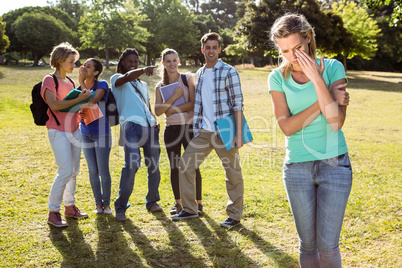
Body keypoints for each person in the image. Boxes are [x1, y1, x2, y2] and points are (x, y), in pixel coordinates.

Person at [268, 13, 352, 267]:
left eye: (298, 48)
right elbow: (287, 127)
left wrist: (317, 77)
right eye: (285, 51)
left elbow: (336, 121)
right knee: (307, 245)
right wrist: (325, 98)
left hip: (334, 166)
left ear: (309, 38)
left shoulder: (334, 67)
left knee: (328, 248)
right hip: (297, 169)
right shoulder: (276, 78)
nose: (293, 57)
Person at [172, 32, 245, 228]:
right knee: (186, 165)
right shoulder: (200, 73)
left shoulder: (229, 72)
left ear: (220, 49)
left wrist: (238, 133)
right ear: (202, 49)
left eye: (215, 47)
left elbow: (238, 104)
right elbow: (200, 103)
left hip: (225, 130)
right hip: (204, 131)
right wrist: (197, 127)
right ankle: (189, 209)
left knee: (232, 173)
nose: (211, 51)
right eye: (208, 48)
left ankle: (234, 216)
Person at [41, 42, 92, 227]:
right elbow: (54, 105)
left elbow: (72, 105)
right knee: (64, 171)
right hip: (57, 131)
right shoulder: (49, 80)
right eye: (71, 62)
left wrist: (81, 109)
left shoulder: (70, 82)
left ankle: (70, 207)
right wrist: (78, 99)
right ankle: (53, 211)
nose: (74, 65)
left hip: (74, 130)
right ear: (61, 61)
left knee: (74, 171)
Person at [111, 48, 162, 221]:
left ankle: (152, 201)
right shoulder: (117, 79)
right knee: (131, 165)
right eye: (129, 62)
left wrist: (155, 122)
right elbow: (126, 78)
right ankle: (120, 207)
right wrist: (141, 70)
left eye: (136, 62)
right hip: (131, 127)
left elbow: (147, 106)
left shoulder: (143, 85)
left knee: (153, 166)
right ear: (123, 63)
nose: (133, 64)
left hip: (149, 127)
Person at [154, 48, 203, 216]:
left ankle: (198, 203)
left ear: (178, 61)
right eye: (168, 61)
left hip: (189, 128)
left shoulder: (187, 78)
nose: (172, 64)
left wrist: (171, 109)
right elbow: (159, 111)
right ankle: (178, 203)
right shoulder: (160, 86)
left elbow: (194, 103)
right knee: (175, 167)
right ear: (163, 64)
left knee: (192, 166)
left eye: (174, 60)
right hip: (171, 131)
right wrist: (173, 97)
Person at [78, 58, 113, 215]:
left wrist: (81, 82)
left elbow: (92, 100)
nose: (85, 67)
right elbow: (77, 107)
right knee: (92, 171)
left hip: (101, 133)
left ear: (96, 72)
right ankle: (98, 205)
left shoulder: (102, 85)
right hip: (85, 132)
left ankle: (107, 205)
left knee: (103, 170)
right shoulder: (79, 87)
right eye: (84, 65)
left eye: (89, 66)